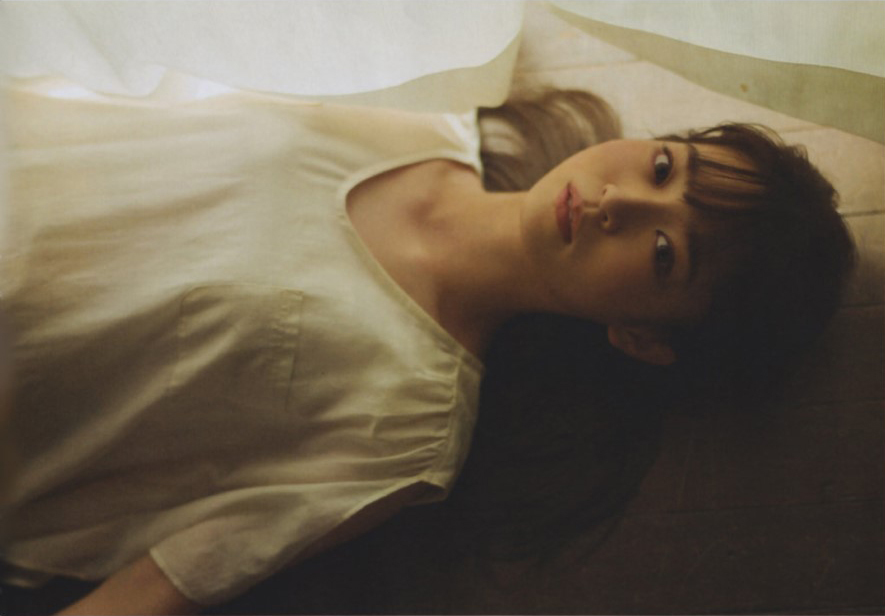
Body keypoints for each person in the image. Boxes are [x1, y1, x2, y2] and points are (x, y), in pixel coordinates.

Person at [0, 84, 855, 614]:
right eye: (664, 168)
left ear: (642, 339)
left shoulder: (406, 430)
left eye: (663, 254)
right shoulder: (419, 103)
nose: (615, 203)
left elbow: (156, 589)